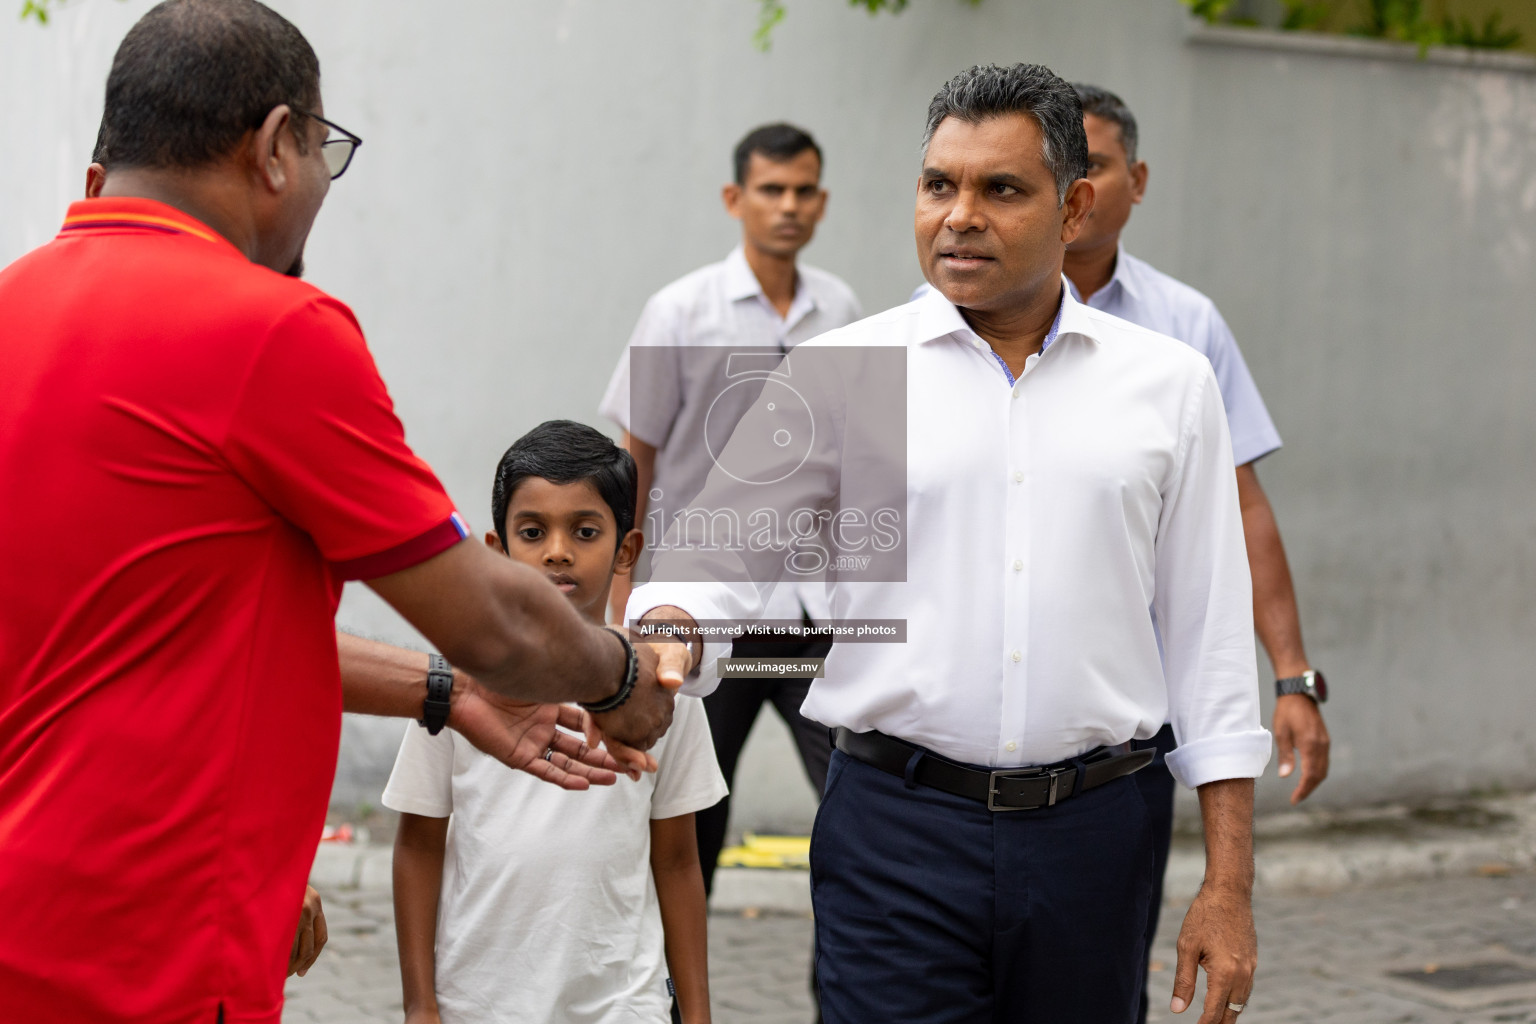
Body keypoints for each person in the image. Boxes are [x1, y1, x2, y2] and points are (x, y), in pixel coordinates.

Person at [0, 4, 688, 1022]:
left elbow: (152, 635)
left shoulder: (15, 310)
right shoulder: (270, 329)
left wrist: (444, 694)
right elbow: (492, 621)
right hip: (151, 948)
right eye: (326, 150)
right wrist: (624, 679)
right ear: (278, 145)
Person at [627, 63, 1271, 1024]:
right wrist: (669, 625)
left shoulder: (1167, 385)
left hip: (1098, 838)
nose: (958, 214)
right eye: (939, 185)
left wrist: (1228, 886)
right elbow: (712, 564)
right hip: (895, 831)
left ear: (1075, 204)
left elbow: (1210, 641)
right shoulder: (848, 372)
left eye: (1000, 189)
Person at [1063, 82, 1334, 1024]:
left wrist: (1291, 678)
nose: (1074, 187)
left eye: (1090, 163)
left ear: (1135, 180)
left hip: (1124, 735)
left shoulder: (1183, 331)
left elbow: (1243, 511)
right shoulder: (940, 325)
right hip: (950, 761)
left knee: (1097, 975)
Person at [385, 421, 728, 1024]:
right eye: (533, 532)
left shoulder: (662, 689)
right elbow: (418, 844)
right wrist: (420, 1005)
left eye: (586, 531)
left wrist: (697, 1016)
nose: (558, 551)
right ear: (497, 551)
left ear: (626, 550)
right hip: (479, 1004)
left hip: (624, 1005)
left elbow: (677, 861)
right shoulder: (453, 687)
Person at [598, 122, 862, 897]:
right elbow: (634, 460)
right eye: (771, 190)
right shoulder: (680, 311)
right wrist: (626, 600)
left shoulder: (841, 308)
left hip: (809, 618)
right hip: (705, 616)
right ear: (734, 199)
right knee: (690, 820)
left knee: (852, 809)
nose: (789, 206)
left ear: (822, 201)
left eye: (803, 190)